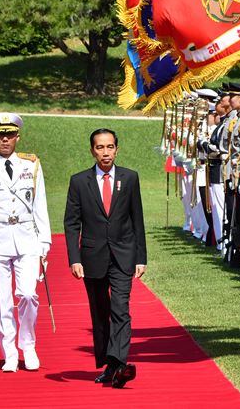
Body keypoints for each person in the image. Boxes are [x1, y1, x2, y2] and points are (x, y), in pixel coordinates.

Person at [64, 128, 147, 389]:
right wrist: (74, 258)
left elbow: (137, 220)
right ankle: (109, 365)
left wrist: (141, 257)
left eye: (110, 147)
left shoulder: (130, 178)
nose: (105, 152)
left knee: (120, 309)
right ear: (92, 151)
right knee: (100, 313)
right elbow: (71, 223)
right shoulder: (79, 182)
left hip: (123, 255)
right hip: (92, 257)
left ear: (117, 149)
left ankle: (120, 364)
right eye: (100, 147)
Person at [0, 113, 52, 372]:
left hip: (27, 238)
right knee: (2, 299)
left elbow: (40, 204)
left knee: (28, 294)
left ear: (18, 136)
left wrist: (45, 241)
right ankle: (9, 352)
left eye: (9, 134)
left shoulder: (32, 164)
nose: (4, 139)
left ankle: (28, 345)